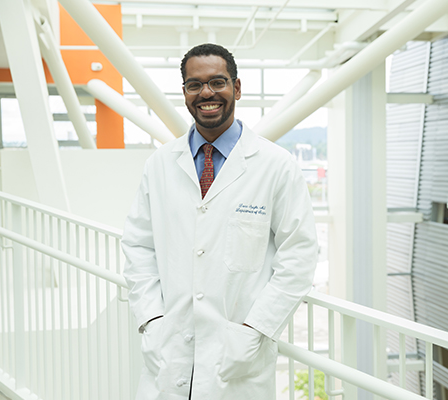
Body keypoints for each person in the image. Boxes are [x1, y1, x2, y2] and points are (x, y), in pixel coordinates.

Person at [122, 43, 318, 400]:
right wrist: (152, 319)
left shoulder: (275, 165)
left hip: (238, 355)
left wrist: (254, 328)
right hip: (169, 349)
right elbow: (138, 245)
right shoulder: (161, 164)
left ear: (237, 88)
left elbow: (300, 255)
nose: (206, 93)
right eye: (194, 84)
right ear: (184, 93)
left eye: (217, 82)